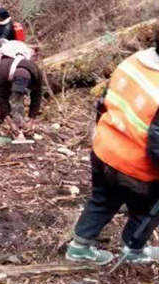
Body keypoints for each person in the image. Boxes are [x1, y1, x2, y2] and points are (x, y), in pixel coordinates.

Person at [66, 32, 159, 266]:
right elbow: (157, 144)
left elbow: (104, 101)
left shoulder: (134, 61)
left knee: (102, 199)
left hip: (105, 150)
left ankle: (79, 247)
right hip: (137, 167)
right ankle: (133, 249)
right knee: (145, 209)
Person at [0, 41, 43, 138]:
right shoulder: (2, 71)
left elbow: (37, 98)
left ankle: (22, 127)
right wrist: (10, 122)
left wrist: (31, 120)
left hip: (20, 72)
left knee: (17, 101)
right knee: (10, 101)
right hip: (5, 75)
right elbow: (1, 99)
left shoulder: (36, 73)